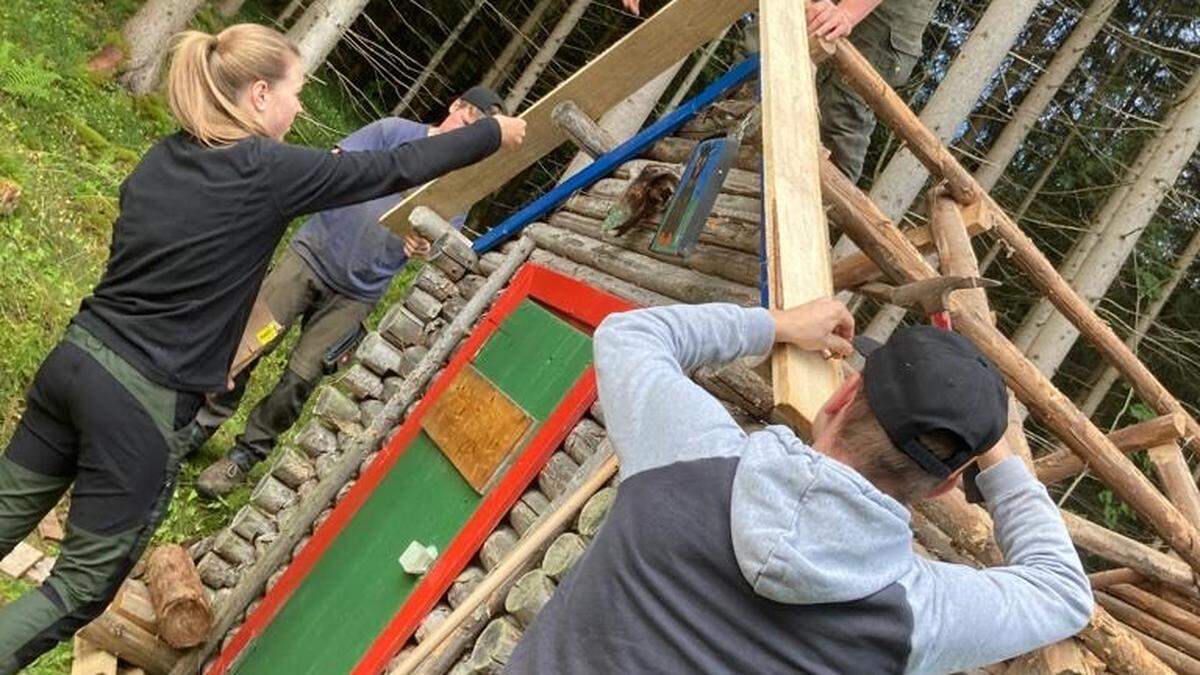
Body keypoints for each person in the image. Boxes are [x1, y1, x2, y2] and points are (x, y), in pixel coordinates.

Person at [0, 23, 525, 670]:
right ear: (256, 96)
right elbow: (391, 166)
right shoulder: (266, 170)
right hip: (137, 403)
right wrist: (491, 136)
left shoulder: (164, 156)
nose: (300, 107)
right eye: (295, 92)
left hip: (76, 358)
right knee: (77, 588)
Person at [506, 300, 1093, 673]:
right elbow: (1063, 592)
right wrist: (1000, 455)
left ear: (839, 399)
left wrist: (776, 325)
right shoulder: (915, 617)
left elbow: (628, 335)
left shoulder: (687, 454)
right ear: (944, 489)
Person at [190, 85, 510, 498]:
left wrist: (422, 246)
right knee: (250, 341)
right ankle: (200, 424)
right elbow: (335, 166)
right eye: (467, 121)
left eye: (477, 132)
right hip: (312, 254)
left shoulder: (457, 187)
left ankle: (242, 458)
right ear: (454, 107)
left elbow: (436, 245)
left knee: (298, 379)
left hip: (358, 292)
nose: (466, 133)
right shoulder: (393, 132)